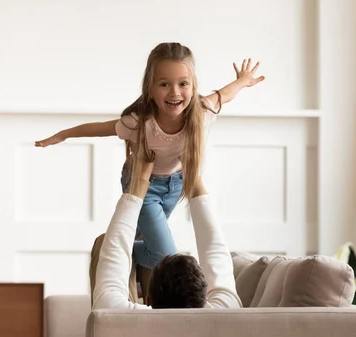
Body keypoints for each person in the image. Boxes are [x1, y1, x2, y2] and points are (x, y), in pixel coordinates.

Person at [35, 42, 265, 269]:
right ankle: (108, 248)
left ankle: (123, 254)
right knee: (164, 256)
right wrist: (63, 134)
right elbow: (99, 128)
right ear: (151, 90)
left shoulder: (202, 111)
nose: (175, 92)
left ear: (193, 86)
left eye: (183, 84)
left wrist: (243, 81)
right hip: (143, 186)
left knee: (143, 235)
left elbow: (226, 94)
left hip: (175, 185)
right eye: (164, 84)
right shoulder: (139, 123)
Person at [92, 158, 241, 310]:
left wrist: (141, 181)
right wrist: (192, 177)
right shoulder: (226, 312)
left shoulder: (113, 314)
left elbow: (213, 246)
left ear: (148, 300)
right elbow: (215, 248)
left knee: (105, 243)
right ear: (204, 297)